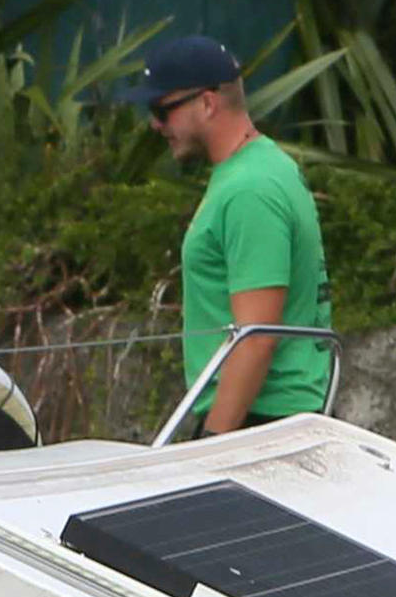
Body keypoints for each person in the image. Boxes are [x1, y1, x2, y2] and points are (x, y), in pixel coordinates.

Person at [135, 32, 328, 433]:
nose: (154, 124)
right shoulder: (257, 168)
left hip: (261, 423)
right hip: (262, 419)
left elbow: (256, 337)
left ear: (207, 103)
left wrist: (213, 440)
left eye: (162, 109)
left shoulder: (250, 189)